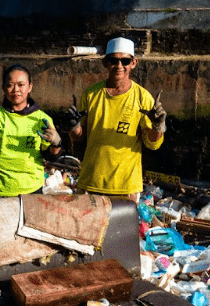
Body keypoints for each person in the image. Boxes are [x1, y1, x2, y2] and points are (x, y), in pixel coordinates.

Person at [67, 37, 166, 200]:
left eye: (125, 61)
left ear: (133, 63)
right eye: (113, 60)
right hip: (91, 182)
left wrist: (158, 126)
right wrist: (73, 125)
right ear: (105, 63)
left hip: (126, 187)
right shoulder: (91, 94)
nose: (119, 66)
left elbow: (152, 144)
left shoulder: (143, 98)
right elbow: (79, 136)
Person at [0, 64, 62, 196]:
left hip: (30, 190)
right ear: (3, 88)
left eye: (21, 85)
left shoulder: (42, 120)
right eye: (10, 85)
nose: (16, 90)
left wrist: (56, 143)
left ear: (30, 87)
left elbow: (50, 156)